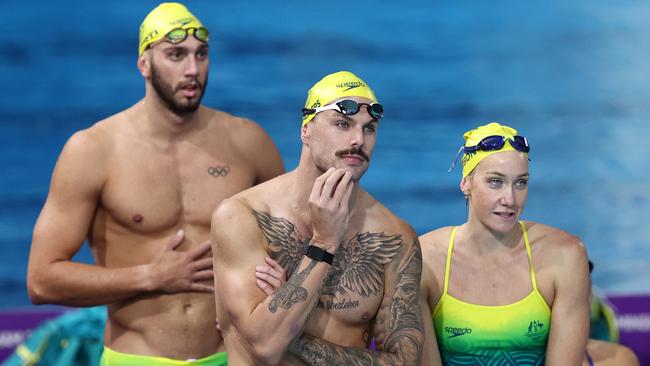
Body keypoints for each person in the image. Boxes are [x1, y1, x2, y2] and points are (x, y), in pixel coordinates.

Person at [26, 2, 284, 365]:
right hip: (137, 358)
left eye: (201, 54)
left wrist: (279, 275)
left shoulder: (249, 142)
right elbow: (42, 280)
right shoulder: (94, 150)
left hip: (231, 357)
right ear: (144, 64)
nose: (192, 69)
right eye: (176, 55)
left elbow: (294, 246)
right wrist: (151, 276)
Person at [211, 71, 426, 365]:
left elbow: (404, 362)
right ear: (305, 130)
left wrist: (290, 322)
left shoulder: (394, 235)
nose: (357, 139)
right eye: (342, 124)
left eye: (370, 129)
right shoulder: (242, 216)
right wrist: (323, 243)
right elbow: (262, 346)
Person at [419, 122, 591, 365]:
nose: (510, 199)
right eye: (495, 182)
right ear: (466, 183)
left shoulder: (565, 256)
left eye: (520, 183)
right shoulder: (425, 259)